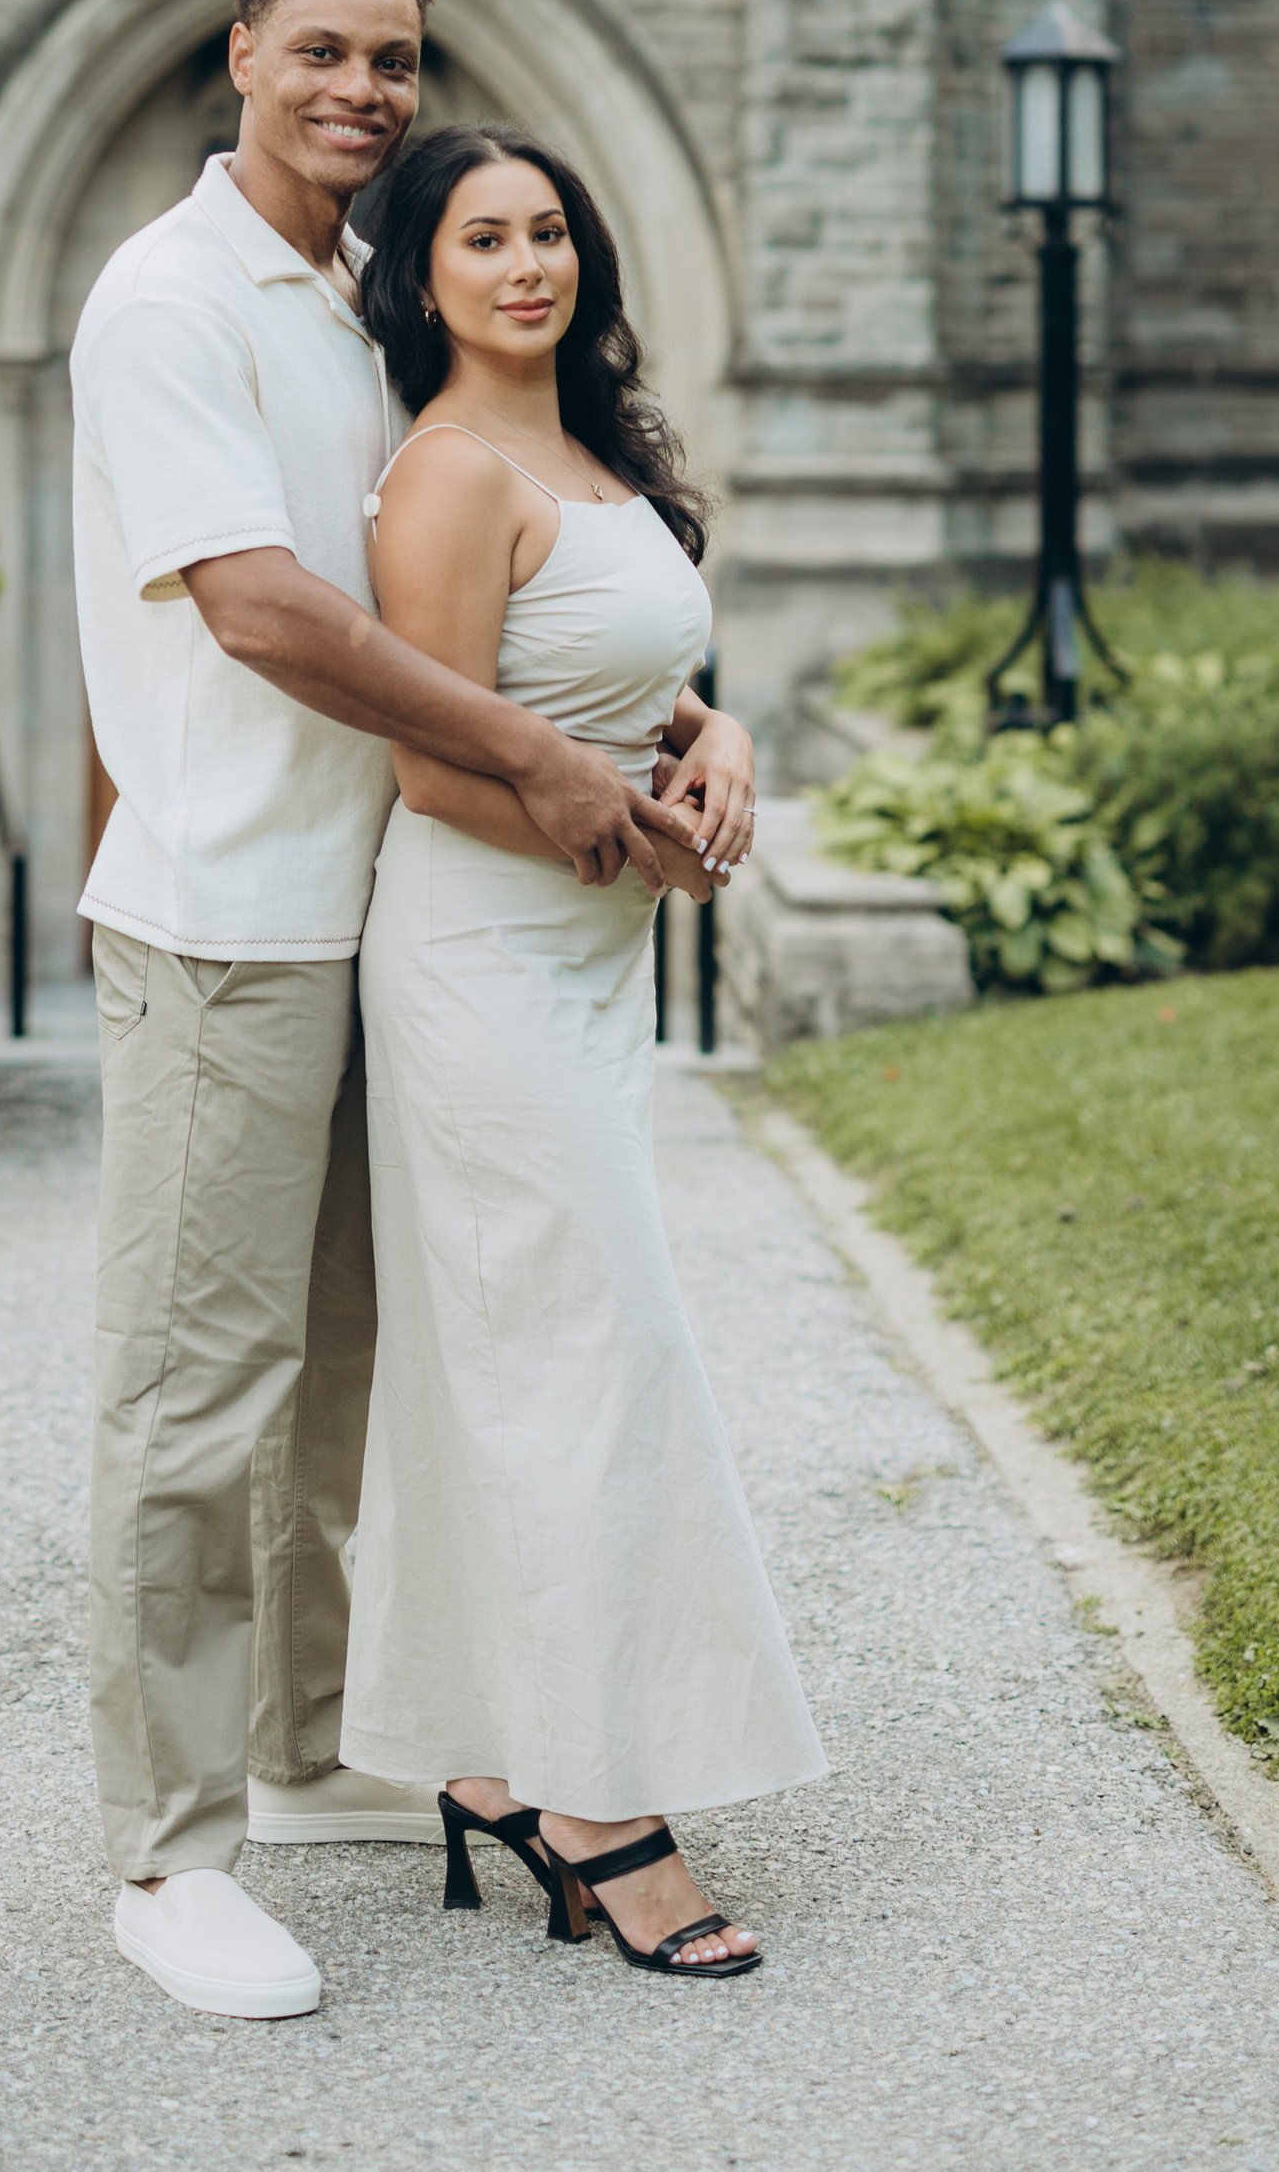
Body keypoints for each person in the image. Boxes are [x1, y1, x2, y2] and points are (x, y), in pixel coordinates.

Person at [69, 0, 759, 2022]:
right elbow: (265, 610)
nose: (361, 88)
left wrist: (680, 719)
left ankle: (306, 1752)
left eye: (393, 58)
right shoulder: (168, 297)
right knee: (199, 1391)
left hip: (398, 911)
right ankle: (168, 1855)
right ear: (241, 55)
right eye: (323, 52)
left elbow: (519, 586)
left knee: (356, 1374)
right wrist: (545, 763)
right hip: (229, 913)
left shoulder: (371, 297)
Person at [338, 122, 826, 1978]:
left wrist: (721, 740)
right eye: (483, 239)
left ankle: (490, 1761)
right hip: (481, 959)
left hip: (586, 969)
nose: (526, 264)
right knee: (586, 1355)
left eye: (547, 232)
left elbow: (614, 677)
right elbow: (432, 757)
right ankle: (599, 1813)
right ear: (424, 276)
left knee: (527, 1355)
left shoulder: (593, 456)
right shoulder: (449, 473)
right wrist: (634, 841)